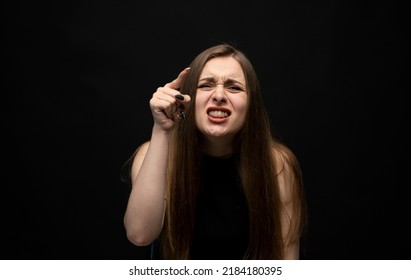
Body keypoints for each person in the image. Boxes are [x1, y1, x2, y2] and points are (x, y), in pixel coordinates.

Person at [122, 43, 306, 260]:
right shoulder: (153, 154)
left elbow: (287, 262)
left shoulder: (278, 165)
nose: (219, 95)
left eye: (234, 87)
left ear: (251, 104)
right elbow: (140, 234)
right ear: (187, 99)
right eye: (206, 85)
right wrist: (162, 130)